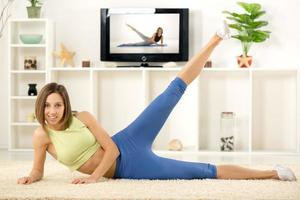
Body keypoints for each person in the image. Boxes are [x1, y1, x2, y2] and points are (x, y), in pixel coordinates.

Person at [17, 21, 296, 185]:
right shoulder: (42, 136)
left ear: (65, 105)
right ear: (40, 107)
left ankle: (217, 37)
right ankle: (272, 173)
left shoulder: (83, 117)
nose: (53, 111)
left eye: (58, 105)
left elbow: (111, 148)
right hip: (130, 169)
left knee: (170, 93)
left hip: (126, 142)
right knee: (201, 172)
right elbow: (38, 169)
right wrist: (31, 177)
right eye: (48, 106)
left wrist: (93, 179)